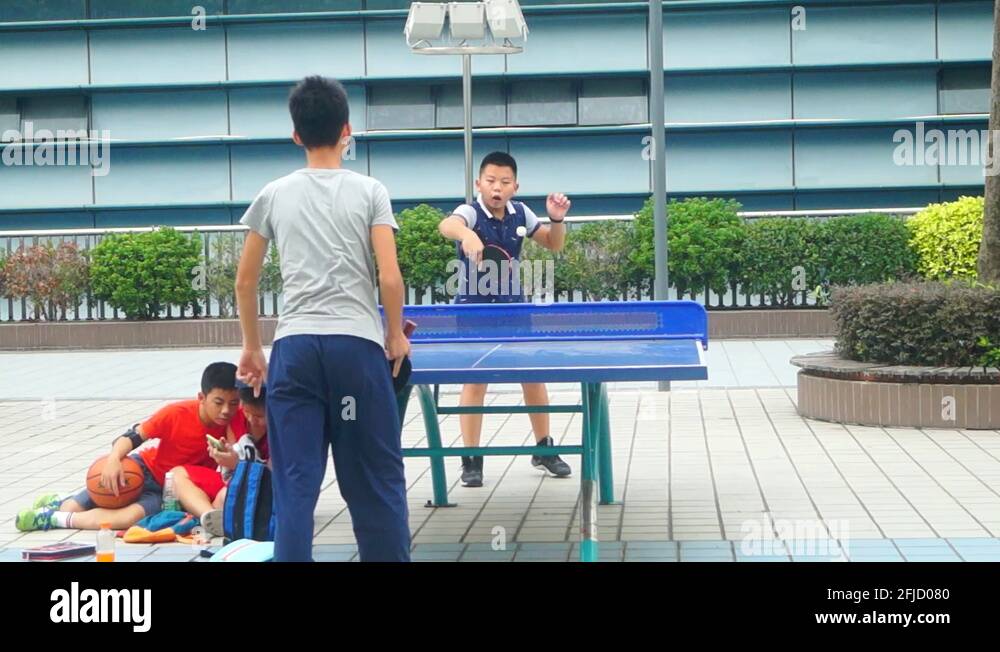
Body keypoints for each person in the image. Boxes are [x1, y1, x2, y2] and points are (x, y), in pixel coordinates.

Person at [234, 76, 411, 562]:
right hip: (354, 354)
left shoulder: (273, 194)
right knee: (373, 481)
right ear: (346, 131)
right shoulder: (370, 190)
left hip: (295, 355)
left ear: (296, 135)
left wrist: (252, 347)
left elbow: (245, 282)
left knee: (296, 486)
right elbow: (389, 277)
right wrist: (394, 333)